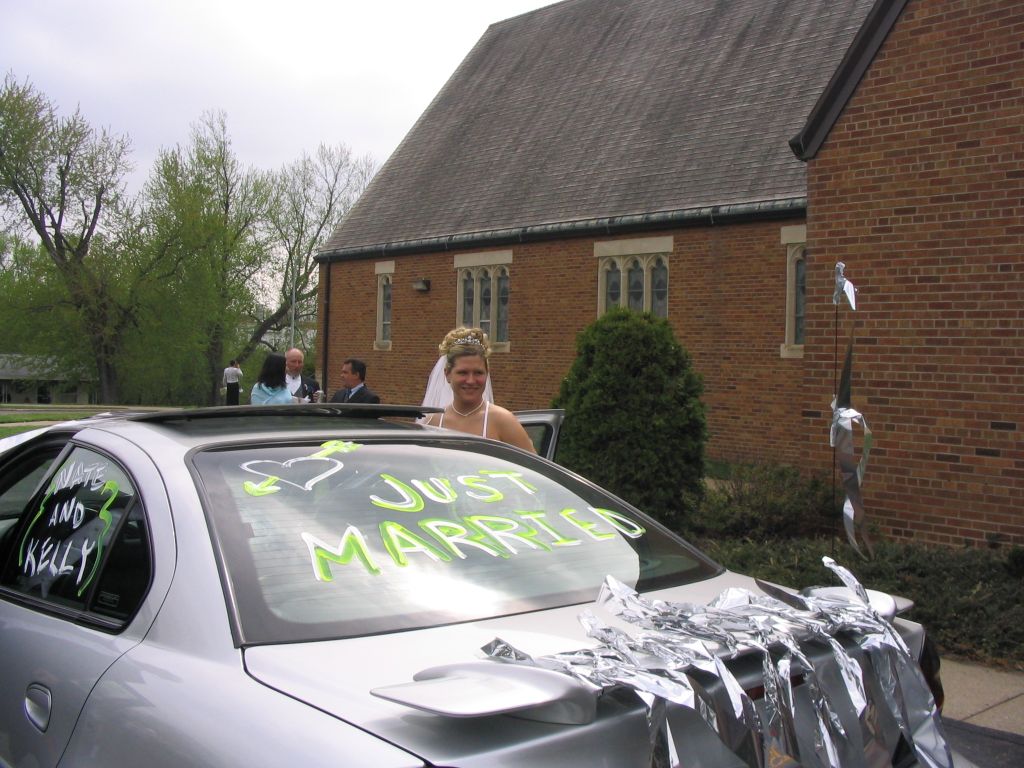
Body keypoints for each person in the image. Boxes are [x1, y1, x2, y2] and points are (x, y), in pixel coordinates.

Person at [421, 327, 535, 453]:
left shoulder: (503, 421)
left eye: (478, 373)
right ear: (447, 374)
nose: (471, 380)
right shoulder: (432, 423)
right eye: (463, 372)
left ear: (487, 373)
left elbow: (535, 468)